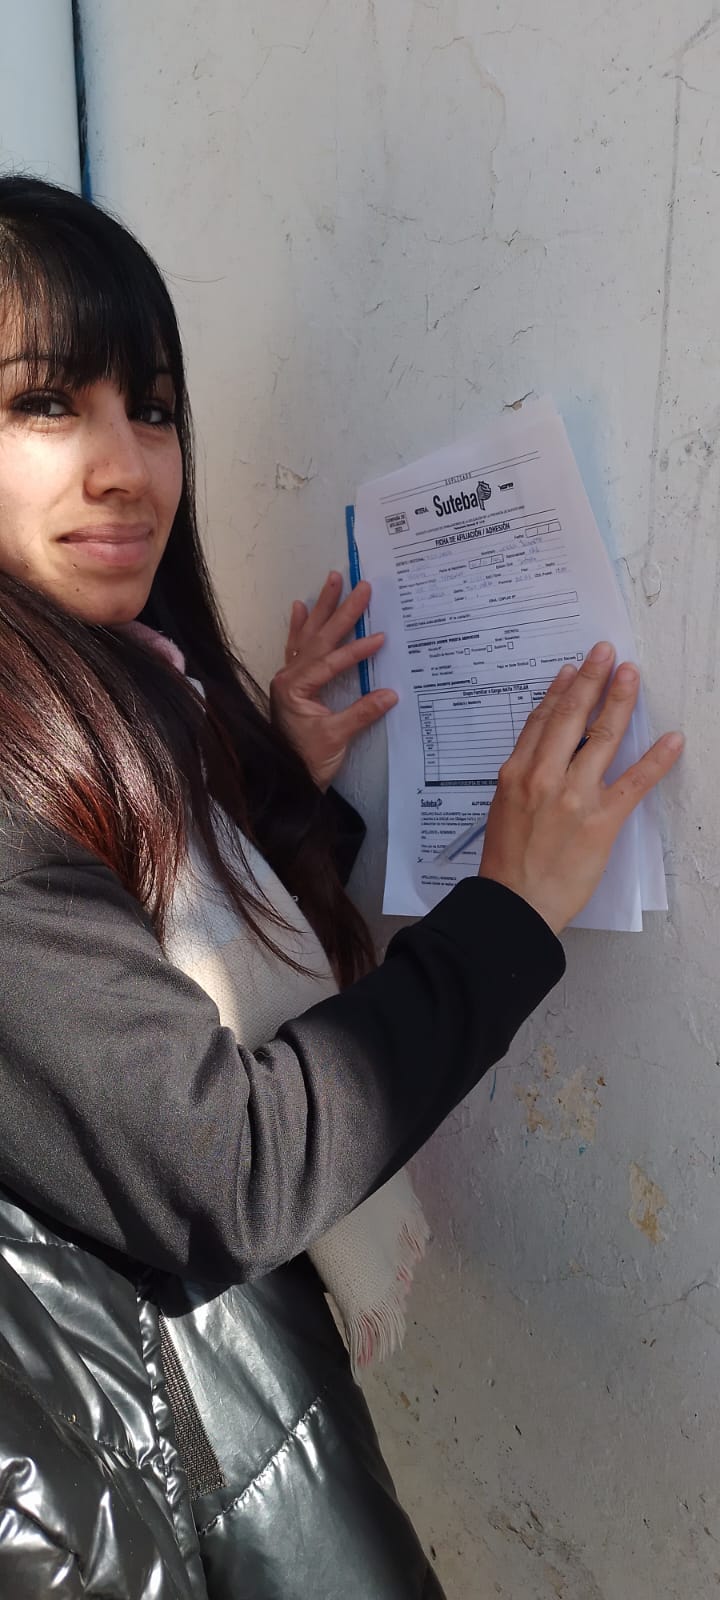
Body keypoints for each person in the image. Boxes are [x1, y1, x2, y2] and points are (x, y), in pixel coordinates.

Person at [0, 174, 682, 1600]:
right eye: (44, 404)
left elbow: (122, 956)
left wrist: (264, 786)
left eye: (154, 408)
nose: (126, 469)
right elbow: (227, 1168)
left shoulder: (115, 685)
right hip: (166, 1473)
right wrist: (510, 913)